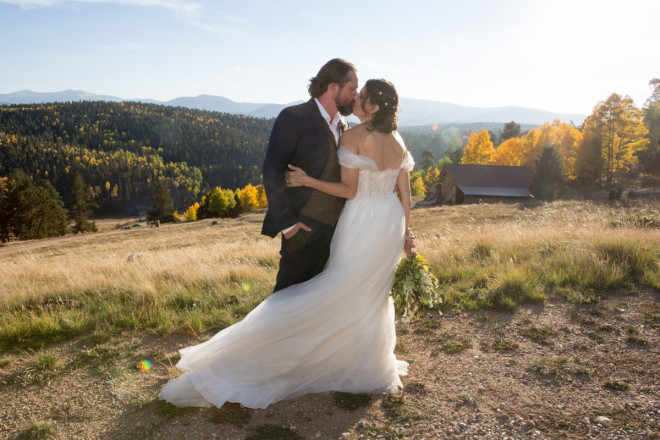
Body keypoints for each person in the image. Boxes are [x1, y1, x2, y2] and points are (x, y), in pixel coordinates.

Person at [159, 78, 414, 410]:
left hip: (362, 221)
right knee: (371, 293)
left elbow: (350, 191)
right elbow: (405, 194)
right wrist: (407, 232)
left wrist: (307, 180)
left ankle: (312, 347)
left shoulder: (353, 136)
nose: (357, 98)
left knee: (342, 285)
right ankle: (368, 361)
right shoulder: (397, 140)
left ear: (375, 107)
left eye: (363, 96)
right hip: (389, 224)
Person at [261, 58, 359, 292]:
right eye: (352, 88)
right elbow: (272, 170)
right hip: (302, 230)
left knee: (320, 302)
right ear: (333, 86)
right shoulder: (294, 117)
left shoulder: (344, 125)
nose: (356, 95)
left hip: (337, 232)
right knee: (286, 299)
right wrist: (289, 226)